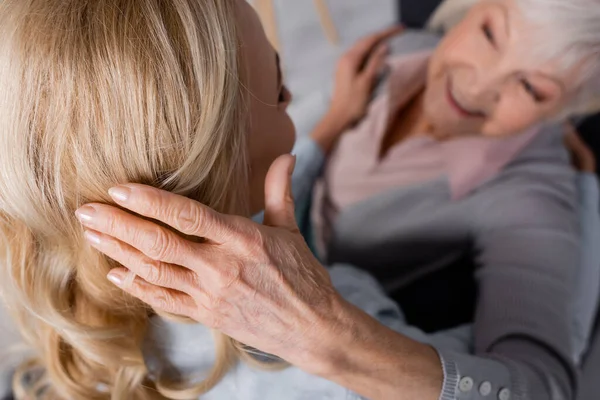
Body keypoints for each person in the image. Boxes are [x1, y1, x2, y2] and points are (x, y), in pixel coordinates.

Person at [72, 2, 600, 400]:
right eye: (490, 33)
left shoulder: (535, 194)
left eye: (533, 89)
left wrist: (327, 337)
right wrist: (329, 127)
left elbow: (544, 382)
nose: (478, 84)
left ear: (569, 111)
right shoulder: (392, 51)